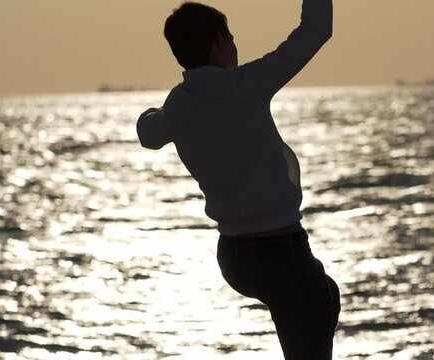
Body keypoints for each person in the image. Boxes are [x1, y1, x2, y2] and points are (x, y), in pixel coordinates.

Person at [136, 0, 339, 358]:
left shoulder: (179, 105)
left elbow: (148, 133)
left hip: (234, 258)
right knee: (316, 310)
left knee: (324, 296)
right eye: (230, 38)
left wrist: (156, 113)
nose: (234, 45)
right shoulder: (246, 84)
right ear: (217, 42)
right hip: (281, 252)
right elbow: (315, 30)